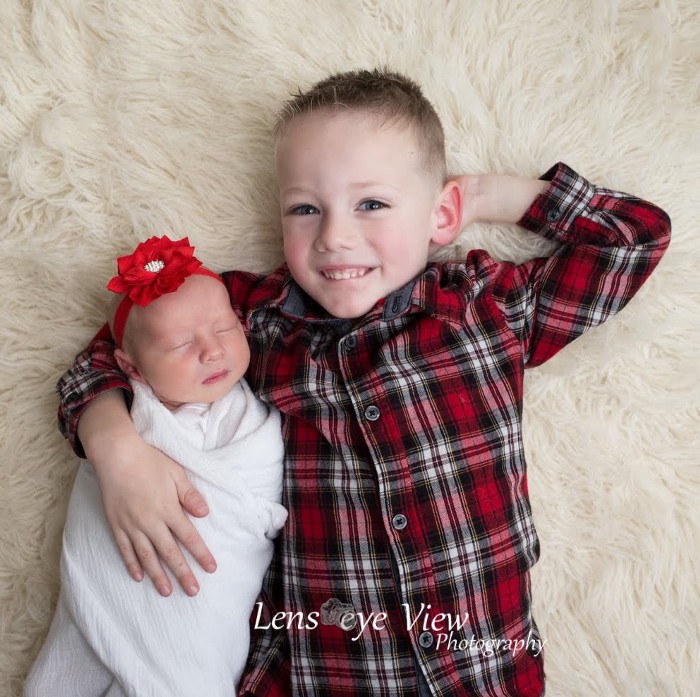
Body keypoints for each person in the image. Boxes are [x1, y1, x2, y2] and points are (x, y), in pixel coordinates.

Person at [53, 69, 671, 696]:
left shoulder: (486, 307)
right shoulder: (251, 319)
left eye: (371, 204)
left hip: (481, 669)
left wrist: (483, 196)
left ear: (439, 213)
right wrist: (117, 451)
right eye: (305, 208)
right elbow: (113, 352)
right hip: (316, 669)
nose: (334, 237)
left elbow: (632, 239)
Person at [25, 236, 287, 697]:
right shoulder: (132, 417)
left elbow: (255, 507)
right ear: (134, 368)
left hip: (209, 606)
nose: (212, 351)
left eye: (224, 329)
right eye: (180, 344)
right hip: (129, 568)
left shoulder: (255, 420)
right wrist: (113, 447)